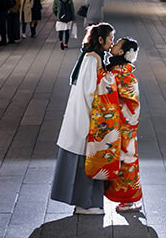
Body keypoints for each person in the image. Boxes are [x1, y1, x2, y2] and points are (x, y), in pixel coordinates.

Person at [52, 23, 115, 215]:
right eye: (110, 39)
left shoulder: (92, 57)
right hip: (85, 117)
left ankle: (88, 203)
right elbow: (89, 92)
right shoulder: (91, 59)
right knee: (85, 162)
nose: (112, 43)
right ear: (100, 39)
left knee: (87, 161)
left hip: (87, 116)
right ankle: (85, 204)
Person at [86, 37, 143, 213]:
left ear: (121, 52)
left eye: (117, 43)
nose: (113, 44)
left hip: (123, 125)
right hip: (123, 124)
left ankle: (130, 200)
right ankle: (128, 199)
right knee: (124, 161)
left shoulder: (120, 72)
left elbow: (106, 83)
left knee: (126, 162)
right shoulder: (120, 69)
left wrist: (96, 66)